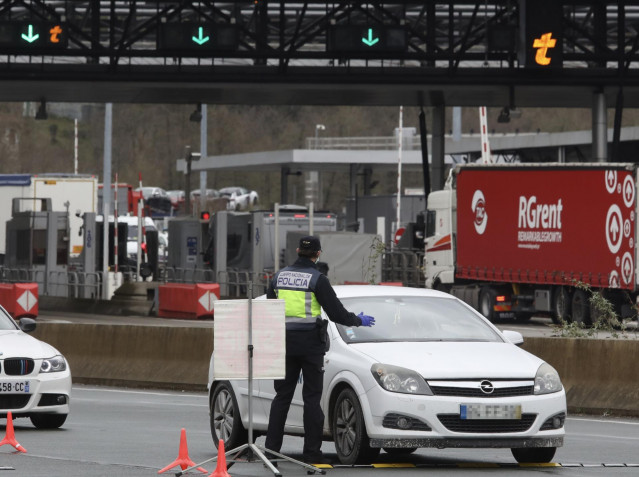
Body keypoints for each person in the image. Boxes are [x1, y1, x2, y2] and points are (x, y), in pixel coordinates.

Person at [264, 235, 375, 465]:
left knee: (282, 397)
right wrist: (358, 321)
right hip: (310, 347)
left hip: (284, 344)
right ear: (318, 254)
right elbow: (336, 314)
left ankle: (271, 451)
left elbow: (269, 309)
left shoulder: (278, 277)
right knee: (312, 400)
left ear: (297, 251)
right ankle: (312, 453)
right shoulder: (317, 279)